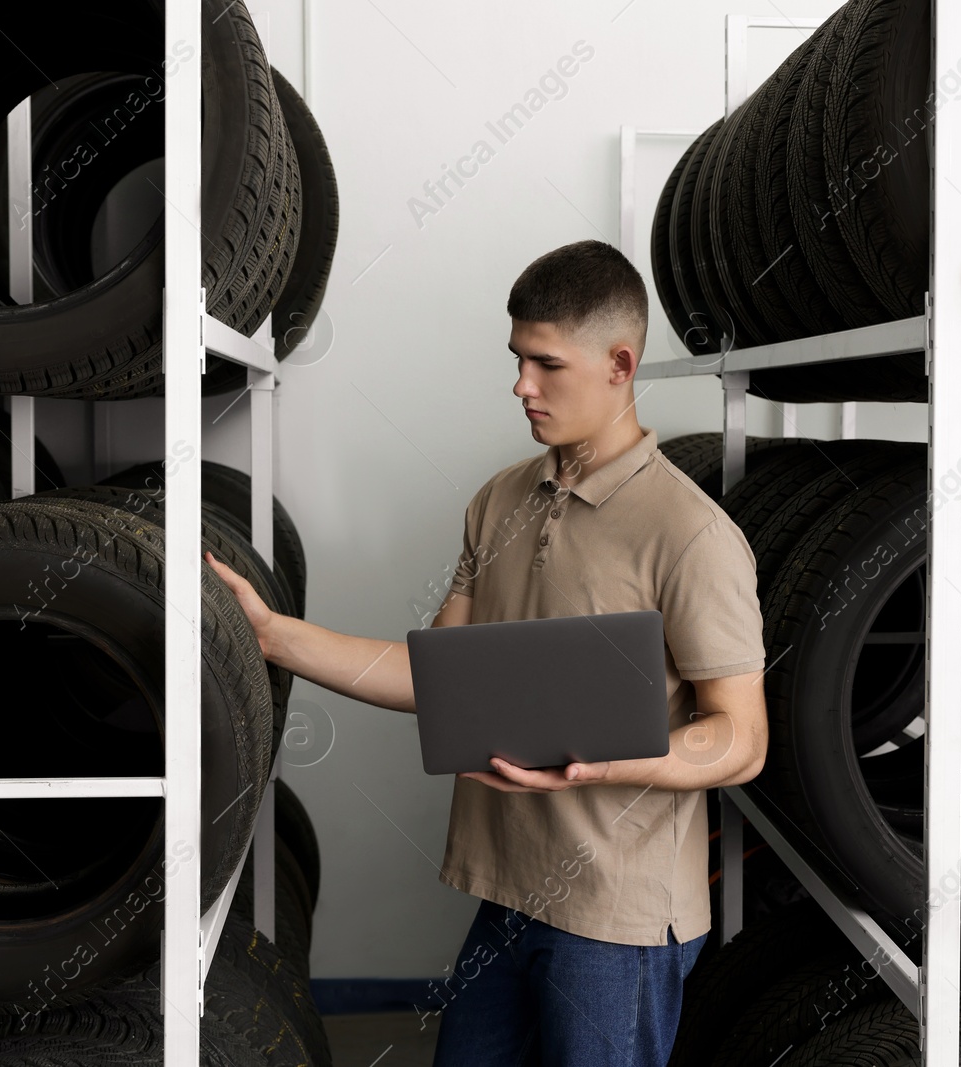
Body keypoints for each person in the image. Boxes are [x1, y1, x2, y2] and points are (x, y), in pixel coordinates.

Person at [204, 238, 768, 1067]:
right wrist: (271, 635)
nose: (521, 385)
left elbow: (741, 737)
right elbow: (436, 675)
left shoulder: (691, 535)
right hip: (506, 895)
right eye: (516, 360)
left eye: (546, 364)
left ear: (620, 364)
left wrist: (600, 765)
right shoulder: (499, 499)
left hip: (618, 919)